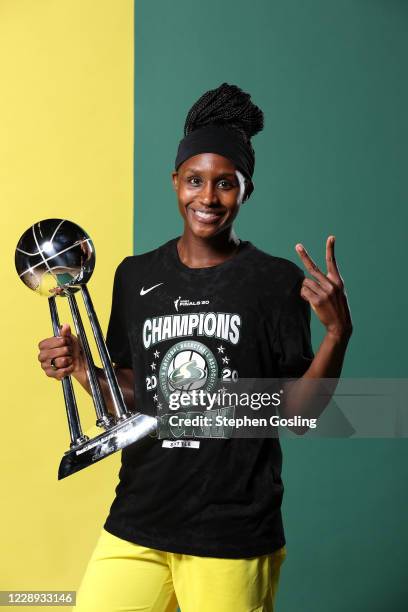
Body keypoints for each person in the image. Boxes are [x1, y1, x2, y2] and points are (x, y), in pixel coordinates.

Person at [37, 83, 353, 612]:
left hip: (230, 531)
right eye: (194, 180)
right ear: (176, 182)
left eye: (225, 184)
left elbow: (300, 412)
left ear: (245, 190)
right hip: (139, 517)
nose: (207, 198)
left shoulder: (274, 281)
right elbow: (131, 398)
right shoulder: (135, 275)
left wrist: (337, 335)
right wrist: (82, 369)